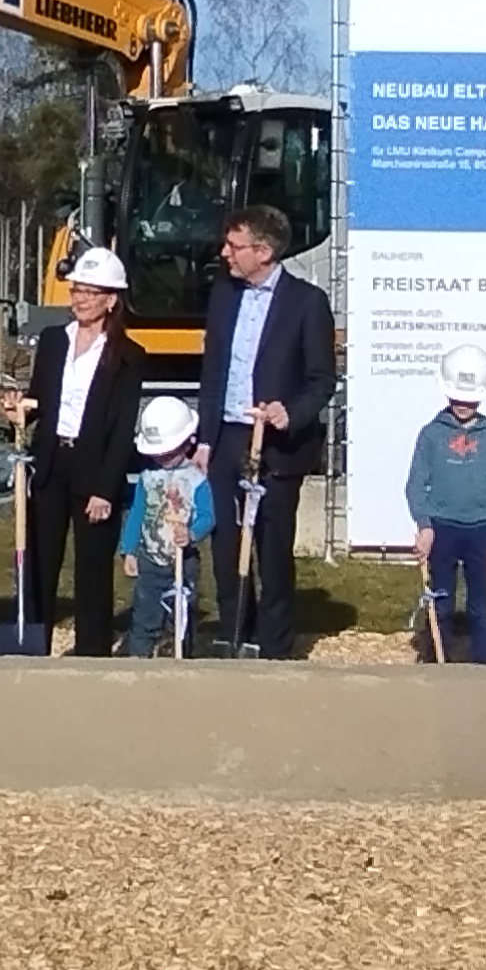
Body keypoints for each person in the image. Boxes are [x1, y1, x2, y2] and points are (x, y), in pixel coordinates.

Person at [194, 204, 336, 659]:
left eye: (235, 246)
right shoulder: (223, 295)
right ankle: (236, 631)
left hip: (275, 443)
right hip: (228, 435)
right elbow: (213, 369)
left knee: (272, 550)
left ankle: (274, 644)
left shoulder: (307, 303)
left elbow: (321, 380)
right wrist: (205, 438)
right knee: (226, 544)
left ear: (264, 251)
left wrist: (288, 412)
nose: (225, 254)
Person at [0, 246, 144, 656]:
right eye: (77, 290)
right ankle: (32, 644)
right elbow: (41, 399)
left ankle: (91, 652)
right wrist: (19, 410)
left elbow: (120, 430)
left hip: (94, 467)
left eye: (90, 292)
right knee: (40, 560)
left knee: (92, 568)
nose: (80, 299)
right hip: (51, 462)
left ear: (111, 299)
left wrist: (105, 489)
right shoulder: (53, 342)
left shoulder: (129, 357)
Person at [405, 343, 486, 666]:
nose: (463, 404)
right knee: (440, 600)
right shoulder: (430, 435)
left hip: (483, 529)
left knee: (482, 604)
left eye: (470, 398)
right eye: (457, 397)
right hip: (442, 528)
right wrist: (424, 525)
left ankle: (485, 665)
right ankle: (438, 660)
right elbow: (414, 485)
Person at [118, 396, 216, 658]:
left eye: (169, 453)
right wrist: (128, 549)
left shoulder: (197, 480)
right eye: (157, 454)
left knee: (182, 621)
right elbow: (138, 511)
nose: (163, 459)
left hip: (183, 564)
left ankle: (181, 662)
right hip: (150, 561)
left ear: (187, 443)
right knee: (144, 618)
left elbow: (208, 516)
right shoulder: (147, 477)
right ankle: (137, 663)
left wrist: (192, 533)